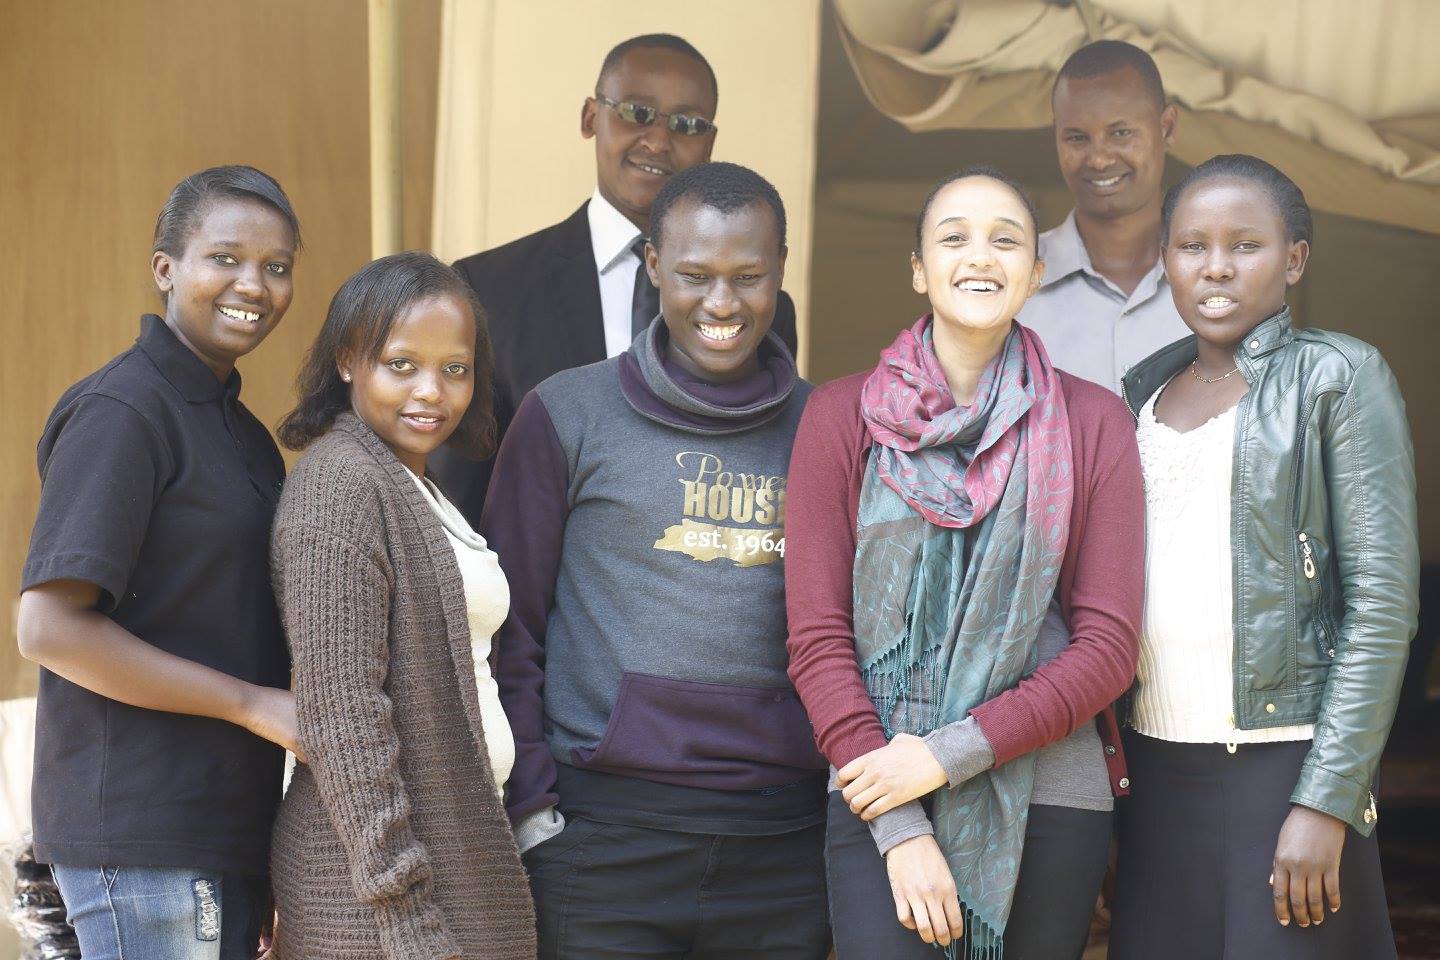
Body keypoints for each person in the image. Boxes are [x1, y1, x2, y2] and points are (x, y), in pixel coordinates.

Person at [786, 166, 1145, 959]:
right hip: (879, 787)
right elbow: (818, 641)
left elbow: (1108, 650)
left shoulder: (1094, 423)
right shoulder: (840, 417)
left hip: (1050, 794)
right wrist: (900, 823)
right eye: (954, 239)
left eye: (1005, 241)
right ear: (919, 269)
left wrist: (943, 757)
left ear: (1035, 274)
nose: (980, 256)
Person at [483, 162, 829, 959]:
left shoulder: (830, 429)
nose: (721, 304)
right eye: (695, 276)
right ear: (653, 267)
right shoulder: (565, 413)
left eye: (748, 277)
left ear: (781, 269)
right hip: (603, 840)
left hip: (782, 849)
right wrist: (532, 812)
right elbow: (508, 628)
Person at [1110, 154, 1416, 959]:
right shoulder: (1138, 396)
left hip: (1286, 766)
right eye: (1192, 246)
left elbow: (1383, 605)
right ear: (1165, 260)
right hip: (1154, 767)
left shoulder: (1337, 377)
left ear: (1295, 258)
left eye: (1245, 245)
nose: (1215, 267)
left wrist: (1328, 798)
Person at [16, 165, 302, 959]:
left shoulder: (244, 434)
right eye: (226, 258)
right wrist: (253, 705)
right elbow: (48, 628)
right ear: (166, 268)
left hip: (219, 833)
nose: (254, 285)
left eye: (277, 266)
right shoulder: (124, 410)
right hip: (143, 835)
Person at [267, 252, 535, 959]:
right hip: (369, 897)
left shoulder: (414, 485)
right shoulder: (341, 485)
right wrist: (402, 909)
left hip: (448, 855)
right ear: (348, 360)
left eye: (455, 368)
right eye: (402, 365)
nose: (431, 392)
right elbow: (343, 714)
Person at [431, 33, 800, 521]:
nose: (658, 141)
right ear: (591, 117)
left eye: (687, 124)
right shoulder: (488, 288)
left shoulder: (759, 311)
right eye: (637, 113)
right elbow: (454, 496)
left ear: (709, 144)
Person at [1019, 39, 1190, 393]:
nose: (1099, 159)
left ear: (1167, 129)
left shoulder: (1221, 277)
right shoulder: (1011, 282)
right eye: (1077, 138)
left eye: (1121, 133)